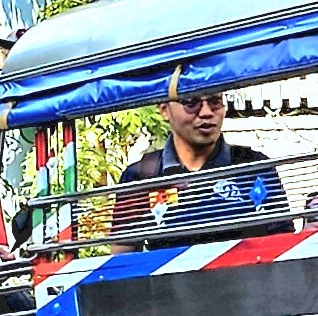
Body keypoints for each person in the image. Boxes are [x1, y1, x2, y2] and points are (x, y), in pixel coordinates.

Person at [111, 89, 289, 241]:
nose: (206, 112)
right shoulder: (139, 177)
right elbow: (121, 262)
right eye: (191, 102)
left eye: (215, 101)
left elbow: (283, 245)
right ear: (165, 110)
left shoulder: (256, 168)